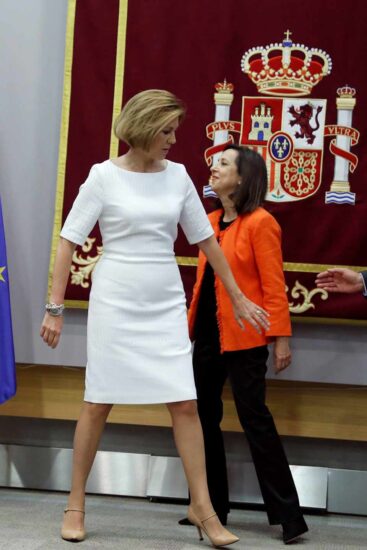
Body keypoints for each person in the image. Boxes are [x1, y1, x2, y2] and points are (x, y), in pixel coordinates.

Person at [40, 90, 270, 546]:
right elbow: (68, 240)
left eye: (174, 130)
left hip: (163, 297)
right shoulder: (103, 177)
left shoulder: (179, 176)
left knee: (184, 401)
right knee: (98, 401)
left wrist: (239, 297)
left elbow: (206, 240)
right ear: (143, 129)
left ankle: (203, 508)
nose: (173, 139)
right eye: (166, 131)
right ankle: (76, 502)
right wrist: (55, 307)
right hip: (116, 296)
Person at [180, 145, 308, 544]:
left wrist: (281, 340)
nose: (213, 168)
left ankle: (289, 517)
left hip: (245, 338)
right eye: (214, 161)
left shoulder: (261, 222)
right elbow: (203, 284)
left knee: (256, 421)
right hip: (205, 337)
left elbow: (273, 286)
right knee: (202, 421)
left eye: (223, 164)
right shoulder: (211, 219)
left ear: (243, 178)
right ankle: (209, 507)